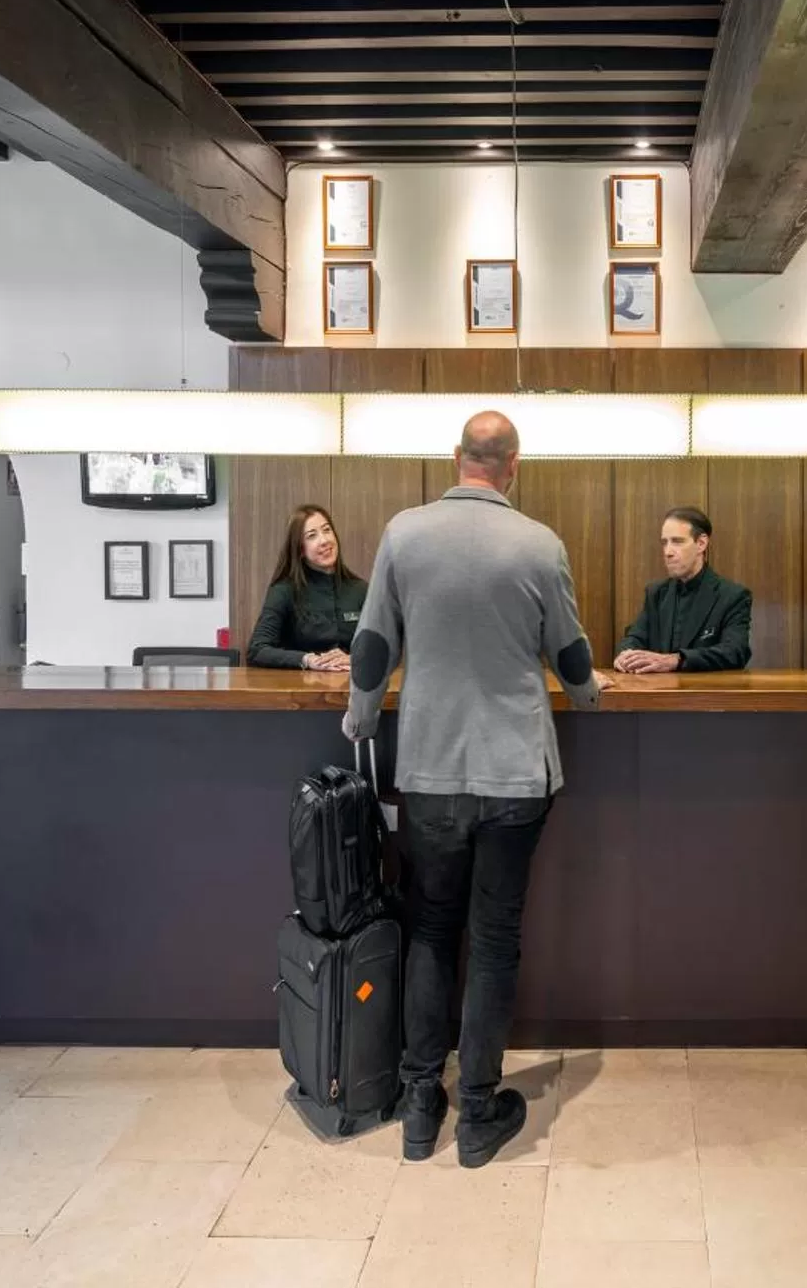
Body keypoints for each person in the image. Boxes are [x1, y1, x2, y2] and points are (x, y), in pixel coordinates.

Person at [343, 412, 610, 1166]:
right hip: (515, 773)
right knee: (493, 941)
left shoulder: (404, 534)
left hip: (429, 772)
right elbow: (568, 650)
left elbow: (372, 644)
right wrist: (590, 695)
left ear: (456, 458)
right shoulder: (539, 543)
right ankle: (481, 1111)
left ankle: (420, 1102)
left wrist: (361, 717)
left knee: (431, 930)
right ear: (513, 465)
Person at [614, 506, 753, 674]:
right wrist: (626, 655)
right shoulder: (656, 593)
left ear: (701, 543)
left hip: (706, 690)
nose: (668, 552)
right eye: (664, 542)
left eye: (677, 541)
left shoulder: (732, 596)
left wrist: (677, 660)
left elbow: (735, 652)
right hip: (658, 689)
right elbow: (635, 637)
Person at [247, 506, 368, 671]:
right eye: (312, 536)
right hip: (301, 684)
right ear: (300, 549)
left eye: (327, 530)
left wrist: (354, 659)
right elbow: (257, 650)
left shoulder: (360, 589)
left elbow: (384, 648)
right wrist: (308, 659)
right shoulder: (284, 590)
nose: (324, 540)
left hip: (353, 683)